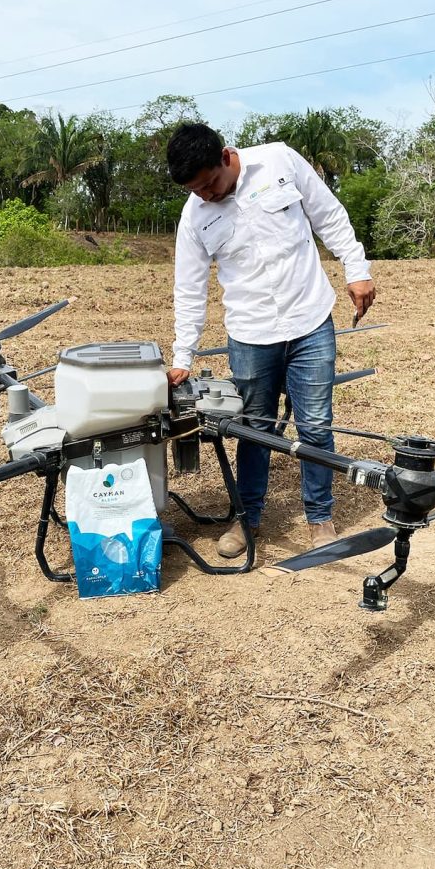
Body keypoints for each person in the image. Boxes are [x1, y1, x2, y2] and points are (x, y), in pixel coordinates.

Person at [165, 122, 376, 558]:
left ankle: (320, 519)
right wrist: (183, 354)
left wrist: (356, 269)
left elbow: (328, 214)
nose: (205, 195)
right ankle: (248, 519)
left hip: (310, 319)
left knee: (316, 426)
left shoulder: (279, 160)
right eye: (196, 191)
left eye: (209, 184)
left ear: (225, 156)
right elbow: (189, 287)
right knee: (254, 430)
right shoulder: (194, 215)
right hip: (250, 333)